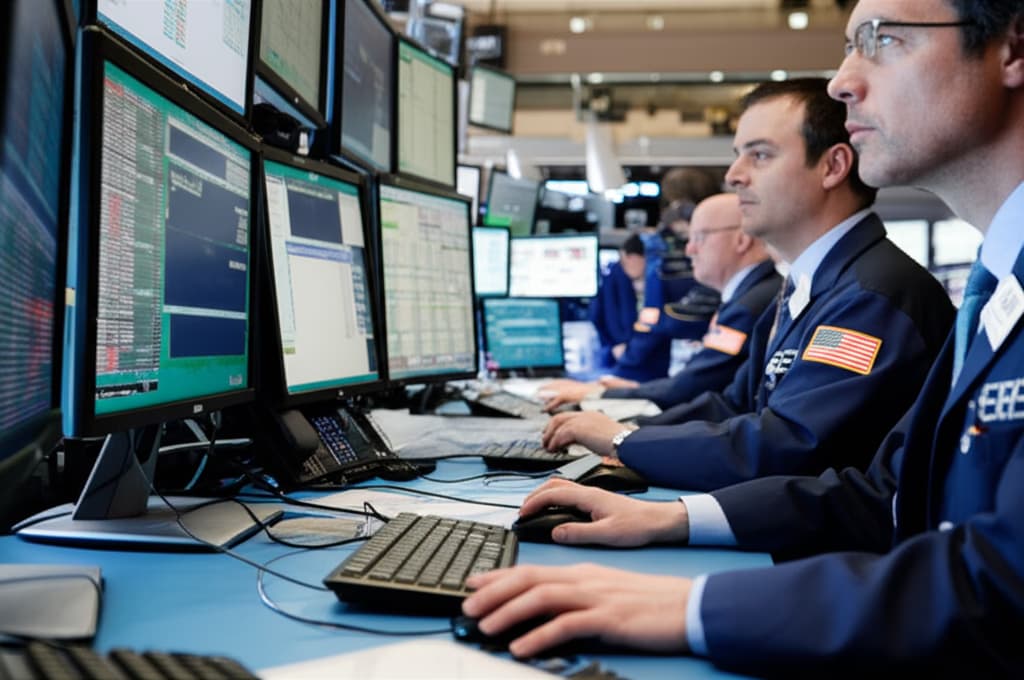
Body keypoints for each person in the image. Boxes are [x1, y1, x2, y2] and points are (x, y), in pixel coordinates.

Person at [462, 0, 1024, 673]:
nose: (842, 79)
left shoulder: (879, 293)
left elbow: (1001, 584)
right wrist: (671, 519)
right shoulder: (993, 292)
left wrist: (693, 606)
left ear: (1012, 47)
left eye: (881, 40)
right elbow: (883, 497)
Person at [540, 77, 955, 492]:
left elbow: (789, 445)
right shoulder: (807, 288)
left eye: (759, 155)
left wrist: (623, 439)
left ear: (833, 166)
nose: (734, 175)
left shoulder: (872, 296)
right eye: (739, 156)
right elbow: (734, 405)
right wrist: (624, 431)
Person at [542, 193, 781, 411]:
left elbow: (693, 387)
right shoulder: (754, 294)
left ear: (741, 240)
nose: (689, 250)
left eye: (698, 237)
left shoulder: (750, 305)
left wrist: (602, 394)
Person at [587, 233, 646, 370]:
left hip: (626, 349)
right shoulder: (615, 277)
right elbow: (596, 316)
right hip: (617, 350)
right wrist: (614, 345)